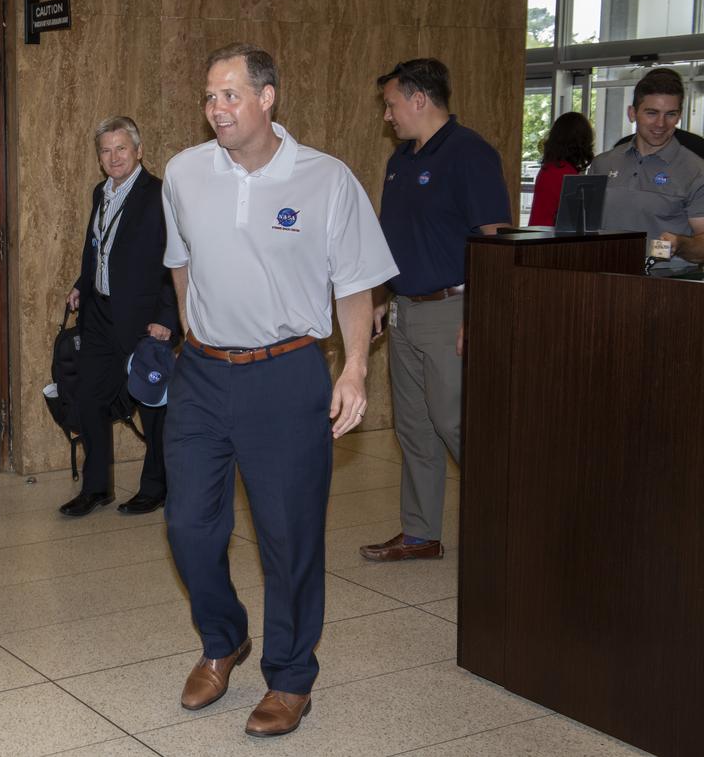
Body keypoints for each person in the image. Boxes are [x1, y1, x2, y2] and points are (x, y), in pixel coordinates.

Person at [161, 43, 398, 738]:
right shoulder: (183, 172)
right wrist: (194, 335)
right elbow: (181, 265)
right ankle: (223, 636)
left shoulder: (325, 180)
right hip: (202, 373)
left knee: (288, 536)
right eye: (209, 96)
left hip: (287, 370)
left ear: (269, 98)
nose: (217, 109)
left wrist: (353, 367)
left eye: (231, 94)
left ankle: (291, 676)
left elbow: (355, 282)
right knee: (188, 527)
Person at [360, 59, 511, 564]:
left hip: (454, 309)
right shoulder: (401, 159)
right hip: (405, 310)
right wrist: (381, 298)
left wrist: (481, 313)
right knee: (414, 426)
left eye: (391, 103)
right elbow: (393, 237)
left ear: (419, 99)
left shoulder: (470, 154)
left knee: (456, 422)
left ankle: (515, 521)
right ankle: (421, 532)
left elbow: (496, 240)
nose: (388, 115)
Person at [59, 116, 178, 517]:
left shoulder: (160, 195)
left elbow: (175, 260)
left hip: (145, 318)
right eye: (106, 150)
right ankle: (96, 488)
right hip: (99, 314)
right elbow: (99, 247)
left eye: (121, 148)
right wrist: (82, 282)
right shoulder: (101, 192)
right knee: (89, 397)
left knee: (152, 402)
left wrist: (169, 315)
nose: (113, 157)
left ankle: (156, 486)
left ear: (139, 151)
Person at [590, 68, 704, 272]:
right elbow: (583, 228)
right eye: (651, 113)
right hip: (603, 276)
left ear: (679, 116)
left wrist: (680, 244)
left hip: (666, 284)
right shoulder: (602, 164)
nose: (660, 124)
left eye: (670, 114)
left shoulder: (696, 171)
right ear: (632, 113)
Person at [527, 112, 594, 226]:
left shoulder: (549, 168)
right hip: (551, 238)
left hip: (538, 234)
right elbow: (576, 219)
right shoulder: (566, 174)